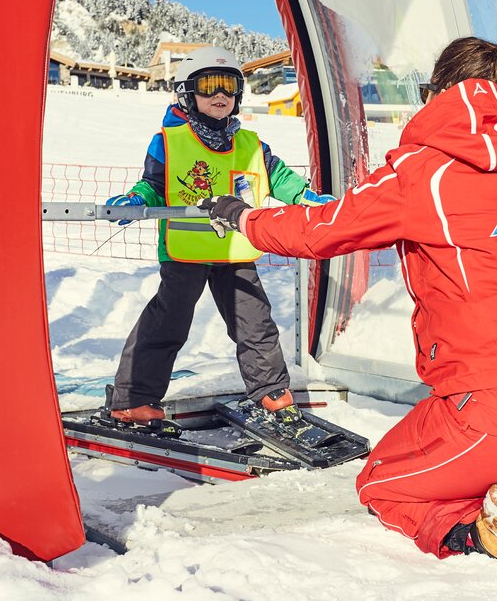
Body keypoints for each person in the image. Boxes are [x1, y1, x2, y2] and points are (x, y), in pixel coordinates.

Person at [201, 34, 497, 579]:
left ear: (443, 92)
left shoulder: (425, 171)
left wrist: (242, 217)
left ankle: (490, 531)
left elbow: (320, 230)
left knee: (382, 482)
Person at [107, 45, 333, 428]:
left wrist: (305, 195)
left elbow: (278, 176)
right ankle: (134, 399)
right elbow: (154, 184)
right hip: (186, 250)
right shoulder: (170, 140)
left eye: (229, 87)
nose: (220, 96)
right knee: (169, 322)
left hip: (235, 249)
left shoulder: (249, 144)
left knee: (255, 321)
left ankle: (271, 392)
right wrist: (135, 200)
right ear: (187, 92)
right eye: (209, 85)